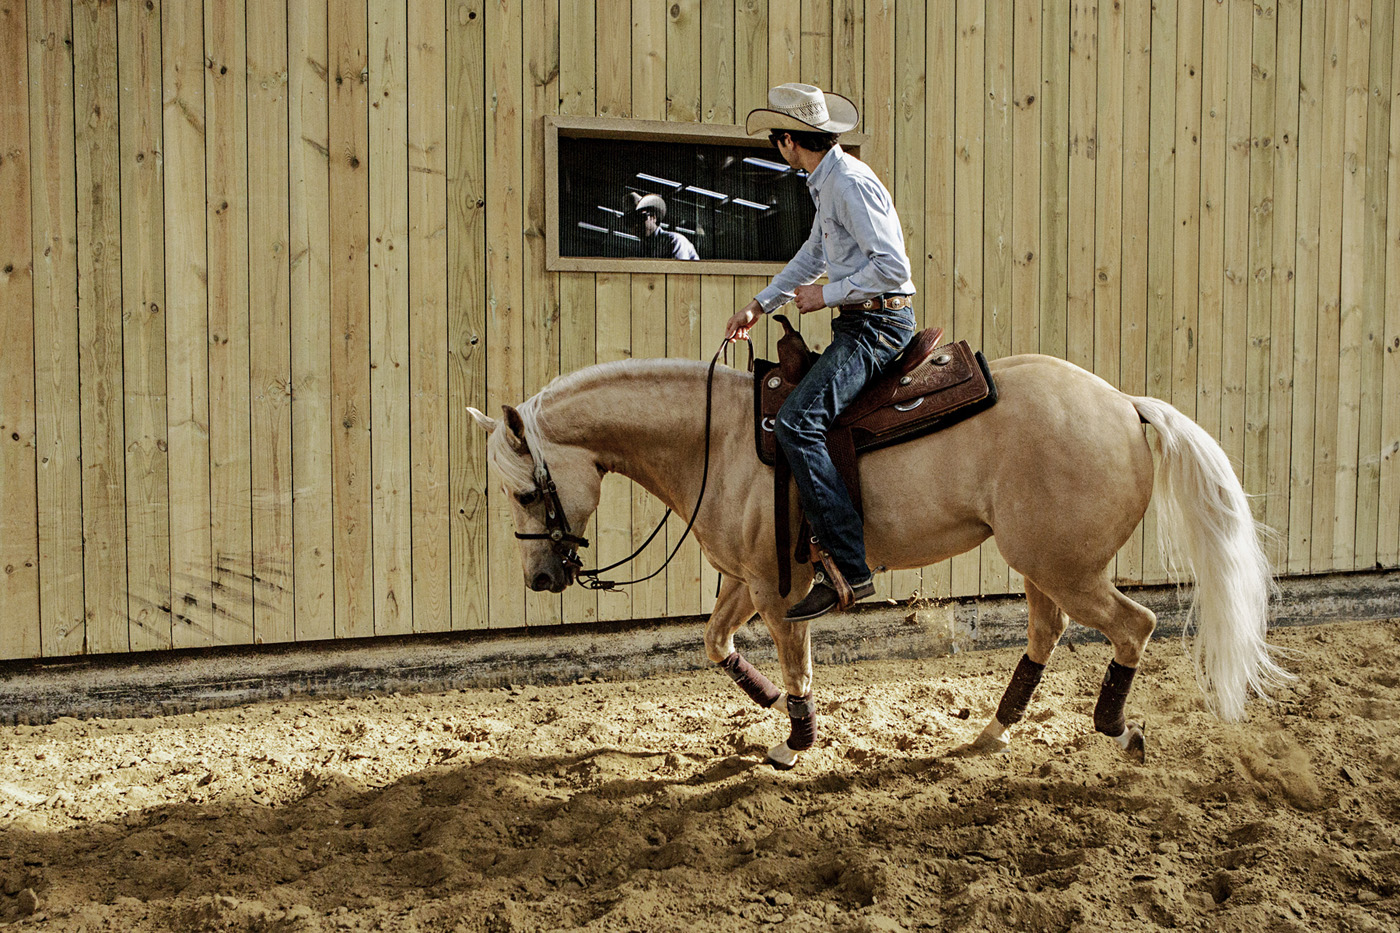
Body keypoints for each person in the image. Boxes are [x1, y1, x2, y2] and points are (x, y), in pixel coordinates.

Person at [725, 82, 917, 622]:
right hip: (860, 322)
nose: (777, 147)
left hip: (878, 327)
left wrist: (825, 295)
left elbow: (893, 270)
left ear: (789, 141)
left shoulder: (849, 183)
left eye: (775, 139)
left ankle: (849, 568)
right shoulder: (826, 181)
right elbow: (814, 254)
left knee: (796, 421)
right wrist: (760, 307)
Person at [623, 192, 699, 260]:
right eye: (630, 221)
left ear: (653, 217)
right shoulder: (640, 250)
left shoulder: (674, 241)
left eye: (639, 218)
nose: (635, 225)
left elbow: (677, 273)